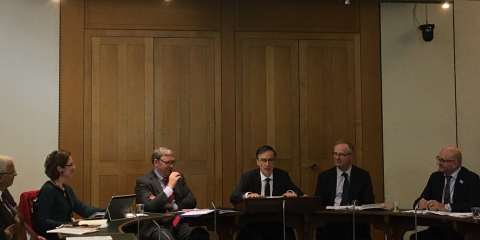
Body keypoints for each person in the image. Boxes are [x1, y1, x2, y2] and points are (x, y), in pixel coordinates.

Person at [229, 145, 303, 240]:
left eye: (270, 160)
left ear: (274, 162)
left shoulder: (282, 176)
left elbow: (299, 192)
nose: (267, 164)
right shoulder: (248, 177)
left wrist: (291, 192)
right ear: (257, 162)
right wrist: (248, 195)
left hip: (277, 223)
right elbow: (233, 196)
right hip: (254, 223)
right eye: (264, 160)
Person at [135, 147, 209, 240]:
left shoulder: (178, 178)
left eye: (172, 162)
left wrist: (171, 206)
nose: (171, 166)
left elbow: (192, 200)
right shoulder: (144, 181)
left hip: (179, 223)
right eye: (168, 163)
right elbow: (149, 207)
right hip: (158, 224)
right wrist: (169, 187)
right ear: (156, 162)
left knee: (199, 234)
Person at [410, 146, 480, 240]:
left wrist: (446, 207)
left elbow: (475, 205)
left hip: (461, 230)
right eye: (438, 159)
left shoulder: (470, 178)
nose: (438, 163)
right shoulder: (435, 177)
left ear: (454, 163)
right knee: (415, 237)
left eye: (442, 160)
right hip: (438, 227)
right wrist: (420, 204)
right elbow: (421, 199)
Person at [35, 150, 105, 240]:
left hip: (66, 233)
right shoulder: (48, 190)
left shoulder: (66, 189)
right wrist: (68, 225)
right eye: (70, 164)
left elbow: (84, 210)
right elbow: (42, 220)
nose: (74, 167)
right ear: (59, 168)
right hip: (56, 236)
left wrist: (108, 210)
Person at [314, 140, 375, 240]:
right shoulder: (325, 177)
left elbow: (368, 200)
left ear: (350, 156)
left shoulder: (362, 176)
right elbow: (319, 201)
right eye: (335, 154)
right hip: (330, 220)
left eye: (341, 155)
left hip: (353, 220)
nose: (337, 158)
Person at [0, 155, 45, 240]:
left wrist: (34, 236)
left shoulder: (5, 192)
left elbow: (20, 220)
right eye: (12, 172)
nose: (15, 174)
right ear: (1, 177)